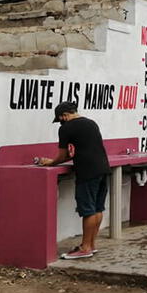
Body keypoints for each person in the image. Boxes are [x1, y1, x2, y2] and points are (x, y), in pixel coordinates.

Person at [39, 102, 111, 259]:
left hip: (87, 171)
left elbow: (63, 155)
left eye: (60, 119)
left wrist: (50, 162)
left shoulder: (65, 128)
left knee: (88, 209)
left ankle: (84, 248)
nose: (61, 122)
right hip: (103, 168)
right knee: (98, 208)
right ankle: (91, 245)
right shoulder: (91, 123)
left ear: (64, 116)